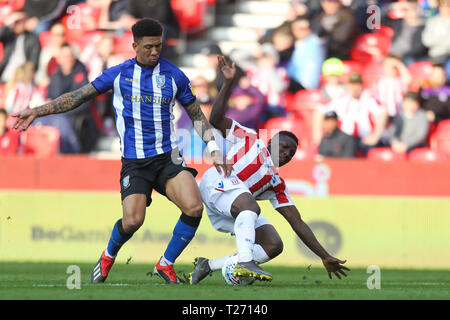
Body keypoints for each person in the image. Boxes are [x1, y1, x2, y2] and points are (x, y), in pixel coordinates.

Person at [12, 18, 232, 285]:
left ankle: (166, 263)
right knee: (132, 221)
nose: (155, 52)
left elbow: (196, 114)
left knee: (194, 207)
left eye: (158, 46)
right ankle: (108, 255)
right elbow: (77, 96)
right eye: (149, 47)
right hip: (135, 162)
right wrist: (36, 111)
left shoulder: (174, 75)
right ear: (134, 46)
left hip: (168, 157)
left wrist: (213, 147)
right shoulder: (118, 74)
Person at [188, 56, 350, 284]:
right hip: (215, 183)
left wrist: (324, 256)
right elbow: (215, 119)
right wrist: (228, 83)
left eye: (291, 154)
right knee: (250, 205)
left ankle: (209, 265)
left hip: (232, 209)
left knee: (273, 245)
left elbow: (297, 222)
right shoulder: (250, 139)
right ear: (271, 141)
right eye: (283, 147)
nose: (286, 154)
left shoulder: (276, 184)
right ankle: (245, 261)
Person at [316, 73, 388, 154]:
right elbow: (320, 110)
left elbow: (383, 113)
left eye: (357, 85)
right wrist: (318, 137)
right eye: (353, 85)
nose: (355, 88)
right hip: (345, 140)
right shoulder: (341, 98)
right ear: (348, 86)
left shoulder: (368, 97)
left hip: (364, 140)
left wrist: (375, 136)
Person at [47, 44, 99, 153]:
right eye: (64, 56)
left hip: (77, 115)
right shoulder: (55, 75)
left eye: (70, 56)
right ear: (59, 59)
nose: (68, 59)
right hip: (58, 115)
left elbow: (83, 100)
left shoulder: (81, 72)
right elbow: (51, 97)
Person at [382, 0, 428, 65]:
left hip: (409, 58)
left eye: (413, 9)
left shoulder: (424, 26)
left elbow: (419, 48)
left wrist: (398, 58)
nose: (410, 12)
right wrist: (392, 7)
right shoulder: (398, 22)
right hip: (391, 55)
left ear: (418, 10)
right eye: (407, 9)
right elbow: (377, 19)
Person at [0, 10, 41, 83]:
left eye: (21, 21)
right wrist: (7, 23)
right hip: (5, 77)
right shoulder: (8, 36)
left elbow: (34, 62)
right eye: (16, 22)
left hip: (23, 78)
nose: (18, 24)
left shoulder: (33, 38)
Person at [286, 15, 325, 92]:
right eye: (297, 29)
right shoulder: (297, 44)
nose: (300, 31)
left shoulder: (315, 41)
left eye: (303, 29)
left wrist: (309, 23)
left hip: (307, 85)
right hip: (295, 81)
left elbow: (321, 32)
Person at [373, 55, 412, 119]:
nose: (391, 69)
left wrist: (398, 64)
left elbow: (408, 79)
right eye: (388, 65)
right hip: (384, 115)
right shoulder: (380, 81)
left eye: (394, 67)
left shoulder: (399, 80)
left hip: (398, 114)